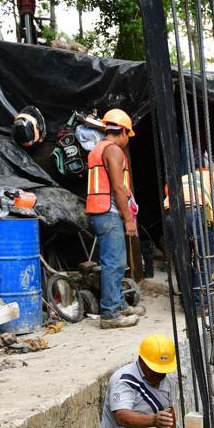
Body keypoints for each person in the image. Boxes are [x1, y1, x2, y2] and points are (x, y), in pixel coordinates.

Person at [85, 109, 144, 329]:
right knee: (115, 264)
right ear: (123, 131)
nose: (128, 139)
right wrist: (128, 219)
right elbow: (118, 188)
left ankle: (118, 304)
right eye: (129, 134)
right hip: (108, 214)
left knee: (114, 262)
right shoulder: (113, 151)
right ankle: (110, 314)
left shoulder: (97, 149)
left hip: (97, 212)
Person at [164, 153, 214, 313]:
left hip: (171, 215)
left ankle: (186, 302)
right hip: (195, 212)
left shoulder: (183, 178)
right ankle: (202, 304)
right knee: (206, 256)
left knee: (182, 258)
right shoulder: (213, 175)